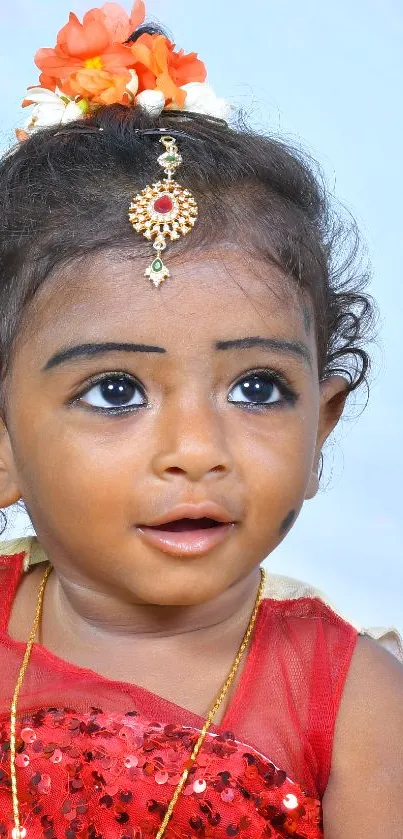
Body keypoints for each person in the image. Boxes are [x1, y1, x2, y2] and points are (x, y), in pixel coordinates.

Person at [0, 2, 402, 837]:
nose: (196, 450)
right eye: (116, 391)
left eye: (256, 388)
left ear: (320, 428)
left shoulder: (357, 704)